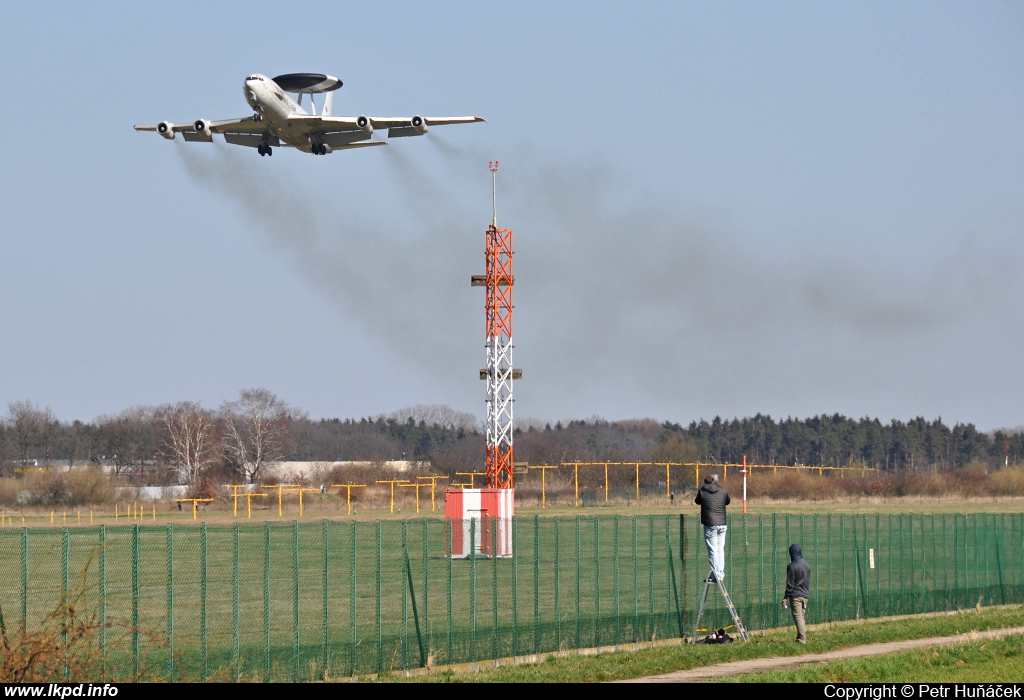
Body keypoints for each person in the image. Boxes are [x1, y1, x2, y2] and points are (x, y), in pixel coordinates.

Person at [694, 474, 729, 582]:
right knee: (720, 549)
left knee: (712, 549)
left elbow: (697, 501)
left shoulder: (702, 492)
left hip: (710, 523)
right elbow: (727, 502)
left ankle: (716, 575)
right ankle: (720, 573)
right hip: (722, 523)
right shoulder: (723, 491)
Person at [782, 543, 811, 644]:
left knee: (798, 618)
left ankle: (802, 639)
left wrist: (785, 597)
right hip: (805, 595)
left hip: (796, 595)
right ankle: (799, 637)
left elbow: (790, 584)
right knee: (801, 617)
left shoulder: (792, 566)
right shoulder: (807, 565)